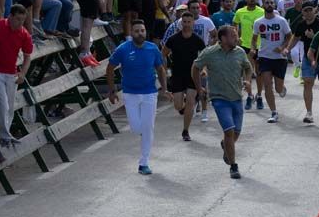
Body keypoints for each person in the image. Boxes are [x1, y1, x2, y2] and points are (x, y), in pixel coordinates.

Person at [105, 21, 166, 175]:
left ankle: (143, 162)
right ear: (132, 33)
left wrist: (164, 88)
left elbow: (160, 68)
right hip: (130, 93)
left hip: (149, 93)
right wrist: (112, 90)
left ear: (146, 32)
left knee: (148, 128)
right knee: (135, 127)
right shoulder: (123, 49)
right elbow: (110, 68)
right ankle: (143, 131)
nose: (140, 33)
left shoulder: (152, 48)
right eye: (137, 31)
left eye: (143, 30)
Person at [194, 24, 253, 179]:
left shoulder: (240, 52)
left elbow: (248, 68)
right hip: (219, 99)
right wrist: (199, 87)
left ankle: (226, 145)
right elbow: (195, 66)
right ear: (223, 38)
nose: (237, 38)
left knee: (236, 133)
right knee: (229, 131)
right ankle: (233, 166)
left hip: (236, 98)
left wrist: (247, 81)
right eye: (233, 36)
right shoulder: (210, 52)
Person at [0, 5, 34, 148]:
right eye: (17, 19)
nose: (20, 23)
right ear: (10, 16)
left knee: (9, 106)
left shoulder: (24, 34)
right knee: (3, 104)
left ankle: (4, 135)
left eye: (23, 20)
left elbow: (28, 57)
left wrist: (23, 73)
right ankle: (4, 135)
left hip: (11, 72)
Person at [164, 11, 206, 140]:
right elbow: (163, 54)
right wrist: (165, 70)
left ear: (193, 23)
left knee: (190, 102)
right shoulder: (173, 39)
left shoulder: (197, 40)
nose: (187, 24)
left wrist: (203, 69)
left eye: (189, 22)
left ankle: (185, 131)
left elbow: (205, 56)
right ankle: (182, 109)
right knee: (177, 105)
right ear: (181, 23)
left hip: (193, 74)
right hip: (177, 74)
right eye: (184, 22)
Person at [251, 0, 291, 124]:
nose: (269, 4)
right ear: (262, 5)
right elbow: (254, 39)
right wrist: (253, 49)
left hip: (279, 58)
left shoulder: (281, 21)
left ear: (274, 5)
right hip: (265, 57)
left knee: (278, 89)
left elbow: (289, 36)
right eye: (266, 2)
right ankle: (274, 112)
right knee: (267, 85)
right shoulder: (258, 22)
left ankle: (282, 88)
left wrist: (282, 47)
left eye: (271, 2)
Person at [285, 0, 319, 123]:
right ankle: (309, 113)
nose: (308, 13)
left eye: (310, 10)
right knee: (307, 83)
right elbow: (295, 38)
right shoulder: (301, 25)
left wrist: (314, 37)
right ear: (302, 12)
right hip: (308, 58)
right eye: (305, 10)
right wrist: (287, 49)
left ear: (315, 11)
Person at [232, 0, 264, 109]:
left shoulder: (262, 11)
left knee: (260, 73)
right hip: (245, 46)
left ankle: (259, 95)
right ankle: (250, 96)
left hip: (260, 46)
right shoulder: (240, 12)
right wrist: (237, 36)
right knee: (248, 73)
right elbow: (234, 24)